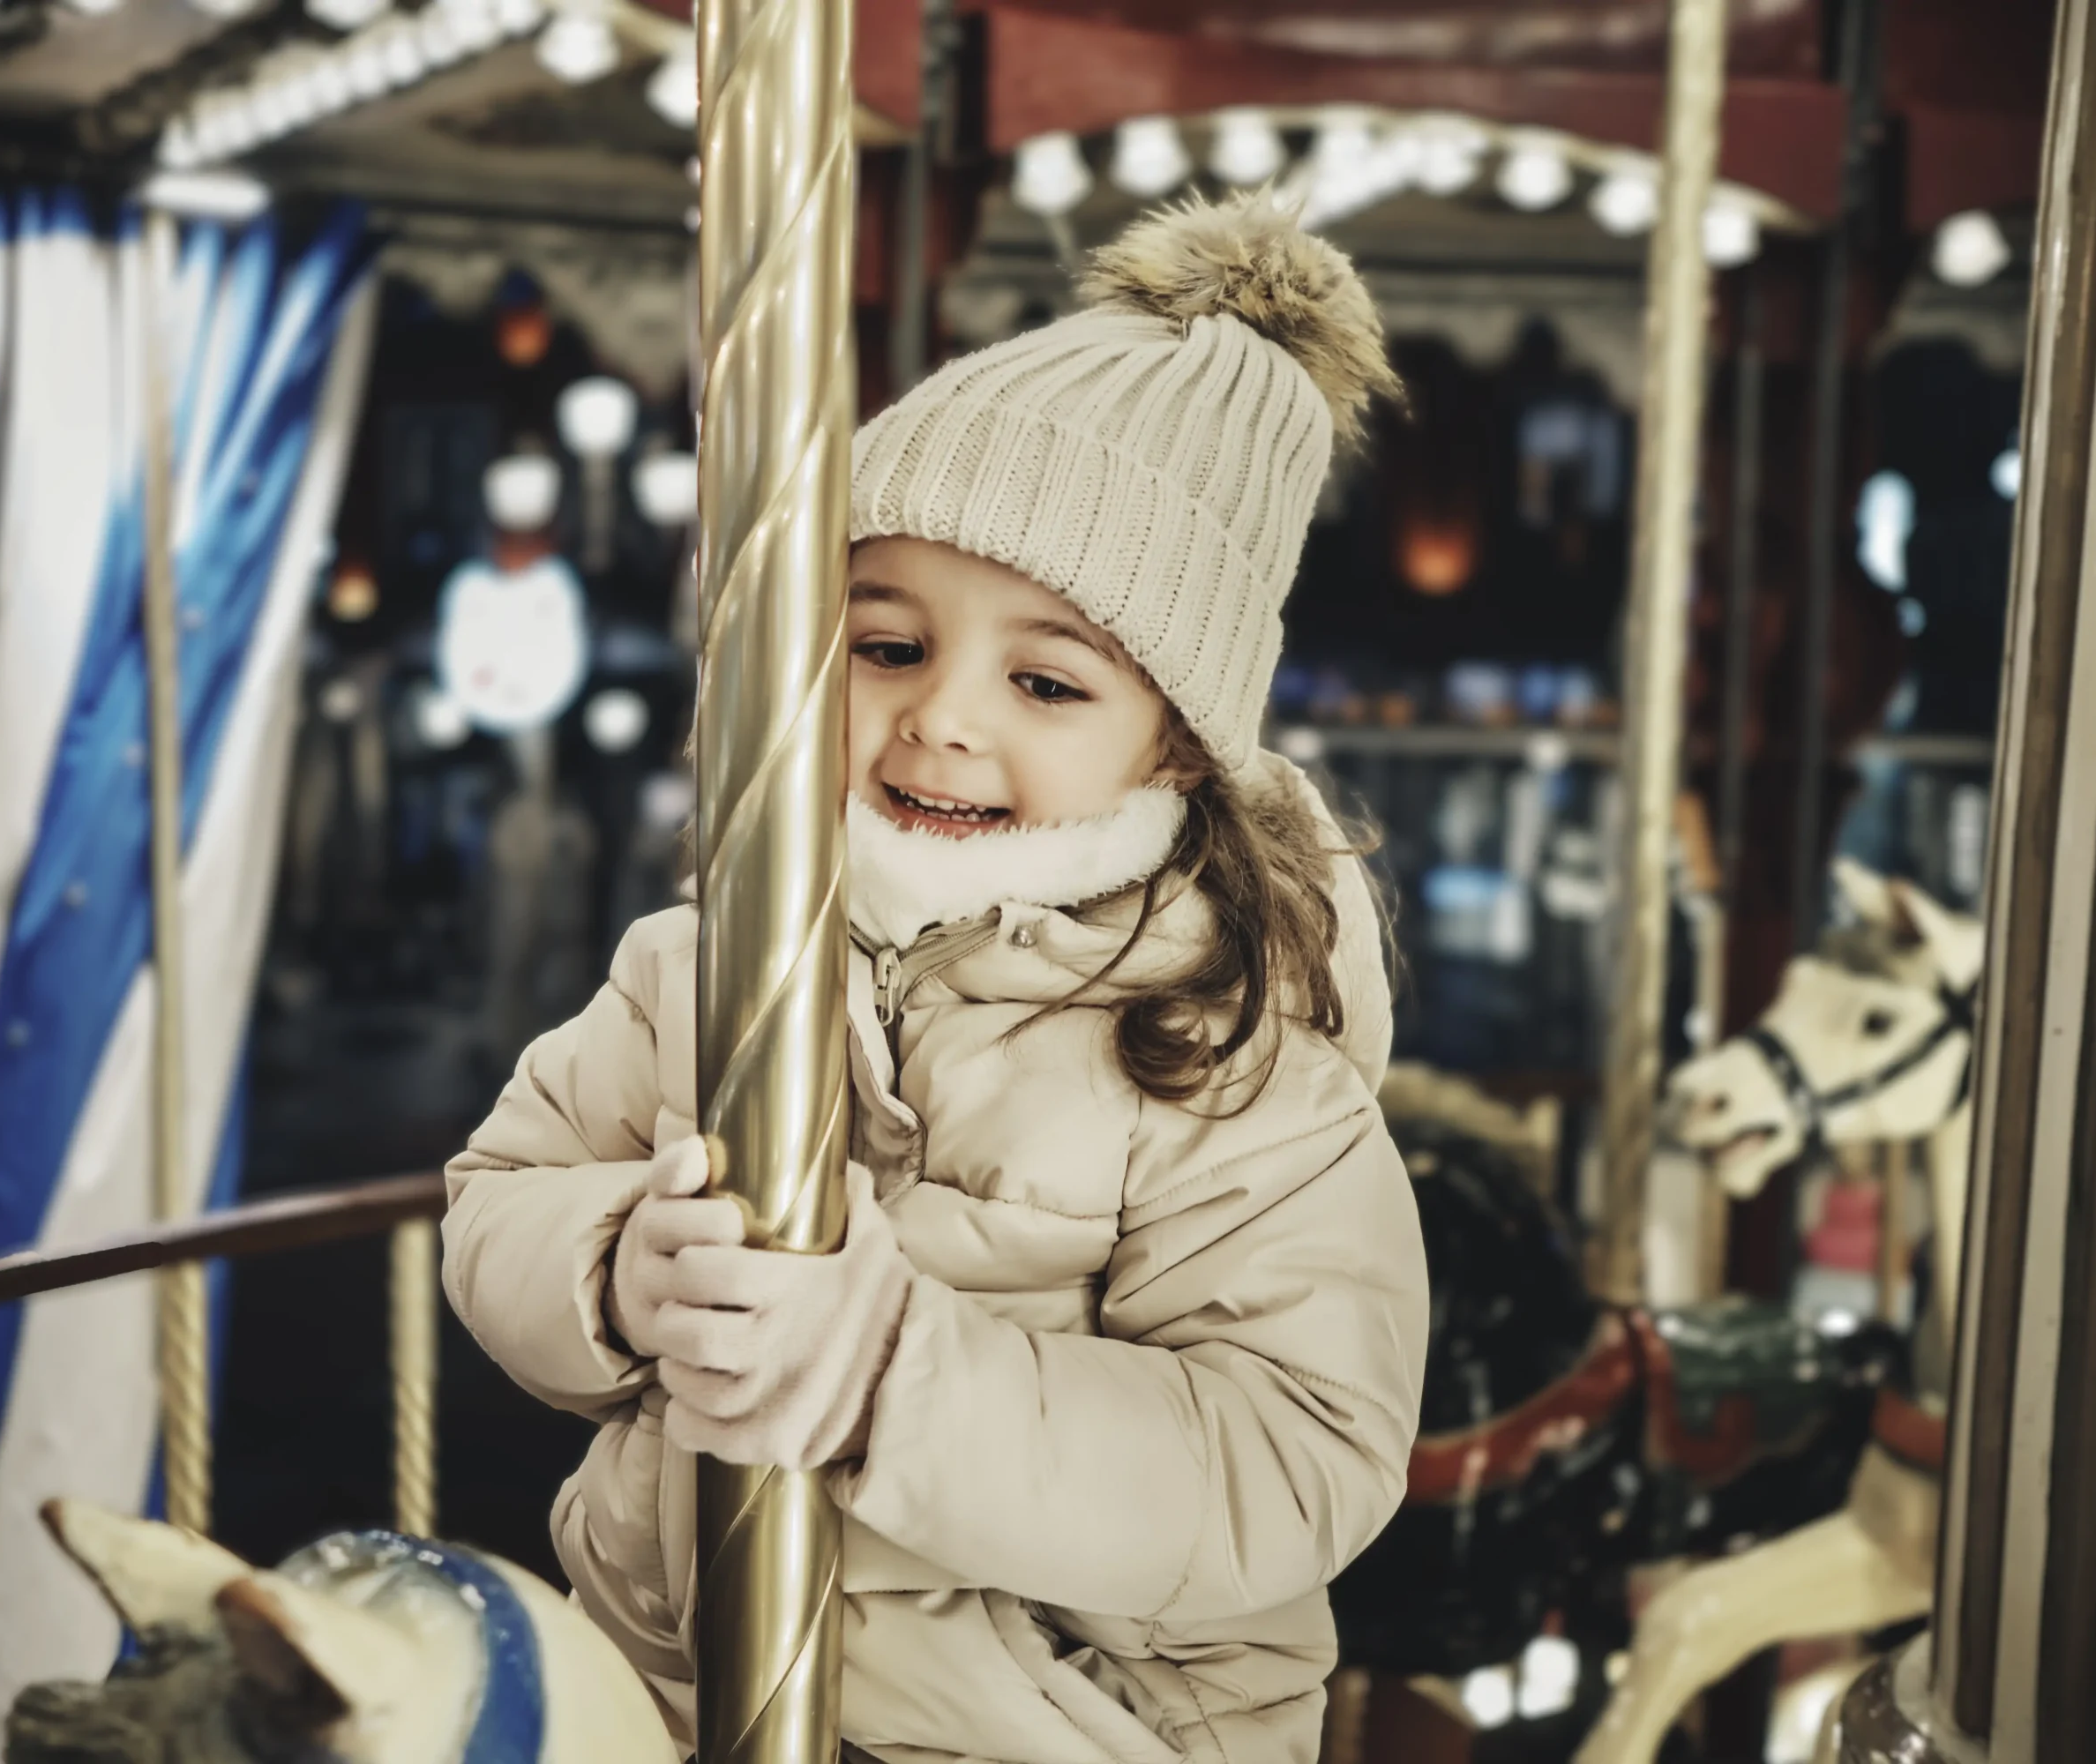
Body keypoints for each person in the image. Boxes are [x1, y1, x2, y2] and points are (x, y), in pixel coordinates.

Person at [442, 194, 1428, 1764]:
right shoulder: (711, 955)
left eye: (1044, 680)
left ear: (1175, 736)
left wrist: (902, 1381)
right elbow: (499, 1192)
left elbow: (1295, 1454)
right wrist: (617, 1271)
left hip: (1061, 1727)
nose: (943, 721)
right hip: (684, 1676)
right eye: (888, 647)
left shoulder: (1235, 1048)